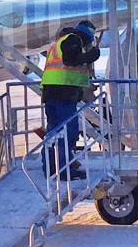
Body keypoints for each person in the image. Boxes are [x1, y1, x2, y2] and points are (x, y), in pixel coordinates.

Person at [39, 20, 101, 180]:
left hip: (53, 92)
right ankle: (64, 171)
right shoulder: (74, 39)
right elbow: (70, 60)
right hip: (63, 93)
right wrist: (90, 55)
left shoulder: (61, 41)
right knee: (67, 132)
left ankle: (50, 169)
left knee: (54, 133)